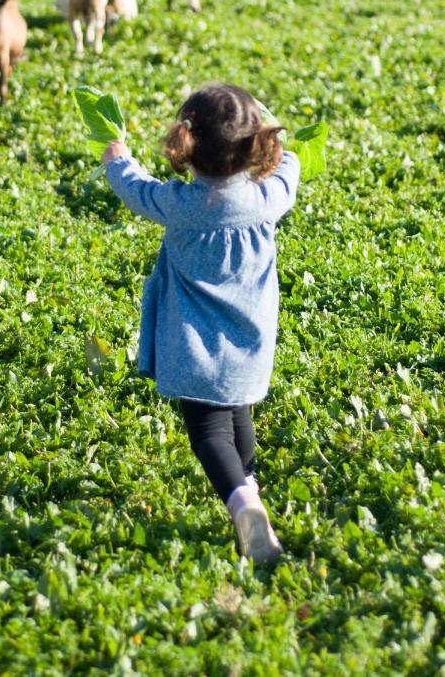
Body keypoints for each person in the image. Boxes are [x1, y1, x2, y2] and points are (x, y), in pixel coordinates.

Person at [102, 83, 300, 563]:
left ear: (185, 144)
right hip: (249, 345)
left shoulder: (180, 204)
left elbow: (135, 189)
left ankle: (243, 501)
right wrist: (281, 142)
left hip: (192, 348)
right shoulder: (267, 199)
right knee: (238, 413)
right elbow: (290, 168)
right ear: (255, 147)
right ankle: (249, 487)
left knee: (209, 433)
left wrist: (116, 159)